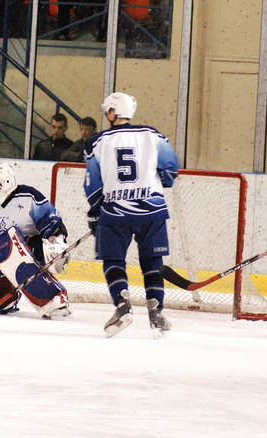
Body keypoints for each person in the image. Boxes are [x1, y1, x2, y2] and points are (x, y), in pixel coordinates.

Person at [83, 92, 179, 337]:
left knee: (113, 261)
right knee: (152, 262)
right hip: (152, 210)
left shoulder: (96, 142)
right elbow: (170, 172)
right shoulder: (154, 135)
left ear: (114, 112)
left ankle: (122, 305)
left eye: (107, 111)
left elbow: (93, 185)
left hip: (114, 212)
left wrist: (95, 213)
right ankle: (156, 312)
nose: (106, 116)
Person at [0, 163, 71, 317]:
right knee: (1, 307)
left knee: (8, 243)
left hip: (33, 248)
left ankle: (53, 296)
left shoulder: (28, 196)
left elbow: (53, 225)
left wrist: (56, 242)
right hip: (4, 254)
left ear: (7, 183)